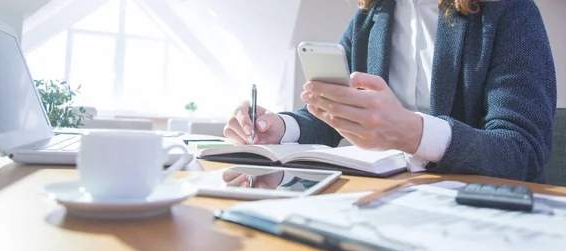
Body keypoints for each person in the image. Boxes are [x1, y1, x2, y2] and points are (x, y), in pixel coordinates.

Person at [223, 0, 557, 183]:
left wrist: (412, 132)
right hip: (383, 194)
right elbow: (335, 117)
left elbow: (522, 153)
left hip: (474, 210)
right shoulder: (369, 17)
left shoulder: (511, 11)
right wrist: (279, 128)